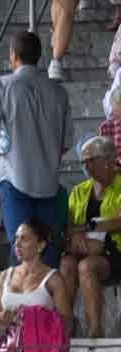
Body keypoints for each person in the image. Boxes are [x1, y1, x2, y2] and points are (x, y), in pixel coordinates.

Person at [0, 31, 75, 267]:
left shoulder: (3, 85)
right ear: (39, 56)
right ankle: (46, 303)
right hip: (49, 183)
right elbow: (67, 141)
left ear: (13, 55)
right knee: (49, 252)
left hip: (14, 178)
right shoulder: (59, 92)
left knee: (21, 249)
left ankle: (22, 303)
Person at [60, 135, 121, 337]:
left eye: (91, 160)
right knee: (67, 264)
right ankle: (65, 327)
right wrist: (75, 235)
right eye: (84, 162)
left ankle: (95, 331)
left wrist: (87, 228)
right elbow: (66, 225)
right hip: (83, 248)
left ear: (110, 159)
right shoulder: (79, 191)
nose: (86, 166)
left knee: (86, 267)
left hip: (115, 251)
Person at [0, 219, 74, 335]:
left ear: (40, 245)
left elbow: (67, 324)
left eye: (24, 239)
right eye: (16, 238)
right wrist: (3, 319)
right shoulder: (5, 275)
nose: (17, 244)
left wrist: (30, 320)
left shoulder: (53, 279)